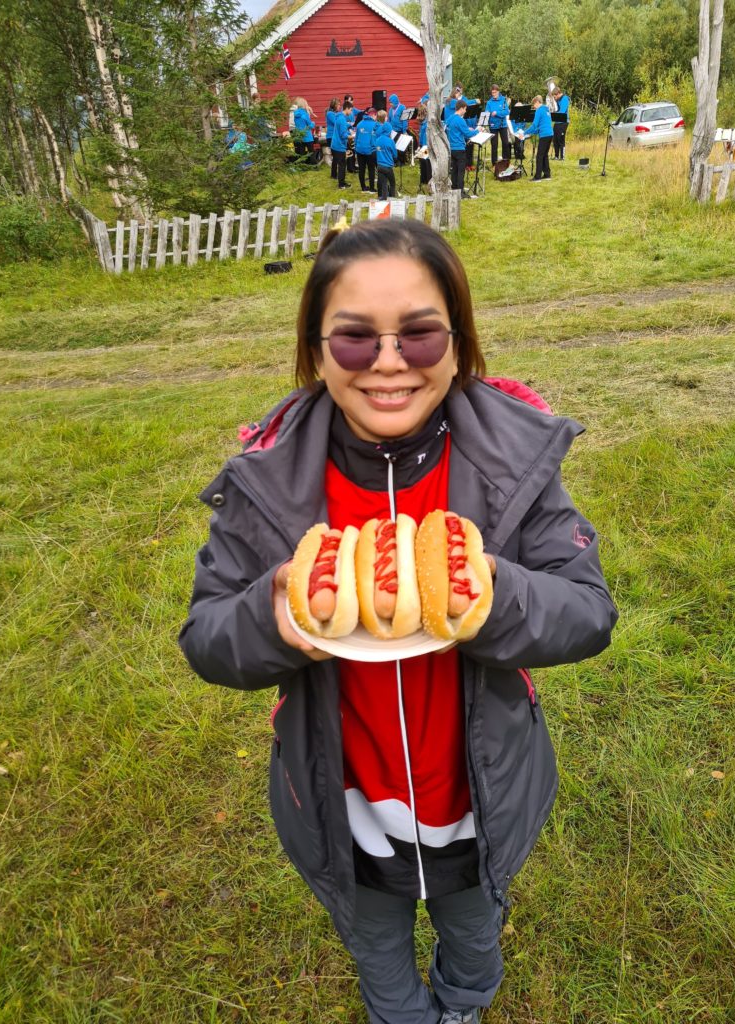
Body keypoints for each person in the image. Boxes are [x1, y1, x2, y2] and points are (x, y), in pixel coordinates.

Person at [179, 217, 618, 1024]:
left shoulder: (511, 467)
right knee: (376, 941)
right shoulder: (265, 485)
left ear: (458, 343)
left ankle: (465, 1001)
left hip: (478, 793)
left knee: (474, 929)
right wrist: (272, 615)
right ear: (315, 351)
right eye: (354, 339)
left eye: (419, 335)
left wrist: (492, 593)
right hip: (344, 802)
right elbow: (205, 639)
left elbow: (588, 612)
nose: (388, 362)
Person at [445, 100, 477, 198]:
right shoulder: (460, 120)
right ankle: (460, 192)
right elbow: (468, 134)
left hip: (451, 148)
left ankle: (454, 189)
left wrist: (467, 129)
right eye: (465, 109)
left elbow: (456, 130)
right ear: (461, 108)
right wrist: (477, 131)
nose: (466, 111)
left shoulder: (450, 118)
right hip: (459, 148)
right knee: (461, 171)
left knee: (454, 170)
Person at [520, 95, 554, 180]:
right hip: (550, 134)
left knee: (539, 156)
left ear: (537, 102)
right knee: (544, 155)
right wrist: (532, 133)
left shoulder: (539, 110)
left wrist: (524, 133)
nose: (534, 107)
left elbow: (534, 125)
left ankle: (537, 177)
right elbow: (542, 125)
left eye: (534, 104)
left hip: (544, 135)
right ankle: (547, 175)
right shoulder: (546, 110)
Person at [485, 85, 511, 166]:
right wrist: (490, 115)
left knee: (505, 143)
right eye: (492, 93)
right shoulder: (489, 102)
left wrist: (497, 113)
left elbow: (507, 112)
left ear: (498, 92)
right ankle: (494, 164)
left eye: (495, 92)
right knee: (494, 145)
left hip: (503, 125)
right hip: (493, 126)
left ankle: (505, 162)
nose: (493, 94)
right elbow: (486, 114)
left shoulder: (503, 100)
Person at [355, 107, 378, 193]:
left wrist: (356, 148)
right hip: (370, 150)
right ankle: (372, 188)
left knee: (361, 169)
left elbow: (356, 138)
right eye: (376, 116)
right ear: (374, 115)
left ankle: (363, 187)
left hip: (359, 150)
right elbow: (375, 139)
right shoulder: (375, 125)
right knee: (371, 169)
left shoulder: (360, 124)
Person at [375, 111, 397, 199]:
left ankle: (384, 198)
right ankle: (392, 198)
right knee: (392, 183)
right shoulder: (390, 141)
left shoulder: (377, 140)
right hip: (388, 166)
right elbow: (395, 155)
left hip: (379, 165)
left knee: (384, 183)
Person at [331, 101, 353, 188]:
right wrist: (351, 136)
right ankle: (341, 184)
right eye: (351, 110)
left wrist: (348, 131)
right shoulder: (342, 119)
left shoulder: (339, 117)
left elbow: (342, 130)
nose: (351, 112)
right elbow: (343, 135)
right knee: (342, 165)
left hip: (335, 144)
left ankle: (342, 182)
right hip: (339, 146)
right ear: (346, 108)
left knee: (341, 164)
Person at [292, 97, 316, 162]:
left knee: (301, 153)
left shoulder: (295, 114)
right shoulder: (305, 114)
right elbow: (310, 126)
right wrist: (313, 123)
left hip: (300, 136)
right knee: (311, 152)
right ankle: (314, 165)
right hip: (308, 136)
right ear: (304, 105)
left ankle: (302, 165)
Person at [416, 105, 432, 193]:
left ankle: (425, 180)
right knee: (427, 163)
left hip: (424, 145)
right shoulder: (426, 122)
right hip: (426, 145)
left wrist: (420, 145)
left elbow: (422, 135)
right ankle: (427, 180)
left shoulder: (424, 123)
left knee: (424, 163)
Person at [552, 88, 570, 160]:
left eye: (555, 97)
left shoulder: (565, 99)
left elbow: (562, 111)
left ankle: (562, 157)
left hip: (563, 122)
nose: (554, 98)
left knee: (561, 139)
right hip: (557, 121)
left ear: (558, 94)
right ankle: (556, 156)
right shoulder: (558, 100)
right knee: (555, 139)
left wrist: (554, 114)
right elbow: (557, 110)